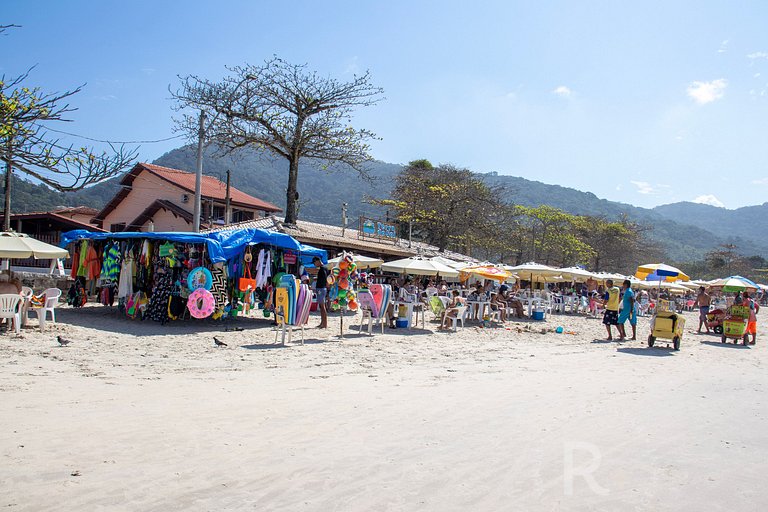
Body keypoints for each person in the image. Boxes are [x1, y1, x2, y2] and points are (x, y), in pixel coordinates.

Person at [312, 257, 328, 329]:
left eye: (314, 263)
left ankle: (324, 324)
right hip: (321, 288)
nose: (314, 264)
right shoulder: (324, 268)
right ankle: (322, 323)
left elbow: (325, 279)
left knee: (322, 306)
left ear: (318, 261)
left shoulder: (322, 268)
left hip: (321, 289)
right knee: (322, 307)